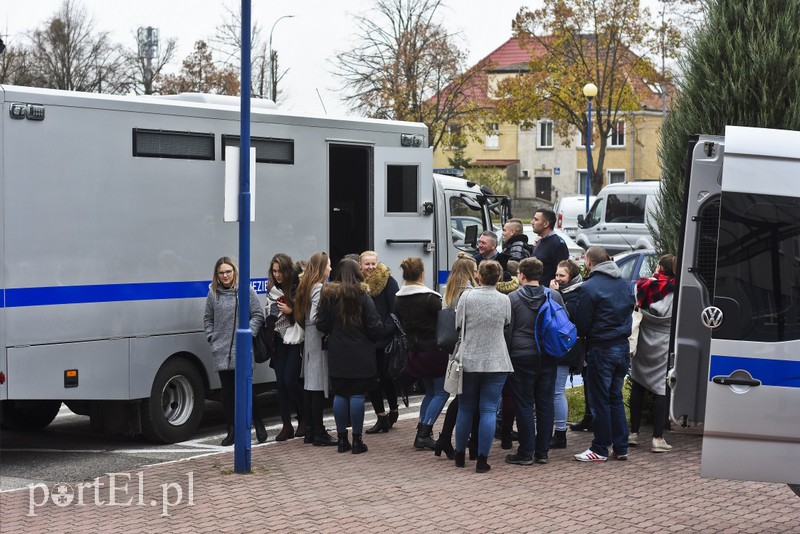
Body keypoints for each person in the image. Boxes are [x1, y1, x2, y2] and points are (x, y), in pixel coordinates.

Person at [316, 259, 390, 454]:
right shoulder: (363, 296)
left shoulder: (329, 296)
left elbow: (321, 324)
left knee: (340, 394)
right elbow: (374, 326)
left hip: (337, 351)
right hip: (361, 352)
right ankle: (357, 441)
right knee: (357, 395)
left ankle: (341, 440)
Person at [572, 246, 634, 462]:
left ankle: (599, 448)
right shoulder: (624, 284)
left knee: (599, 400)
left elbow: (581, 322)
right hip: (622, 346)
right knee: (615, 397)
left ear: (589, 262)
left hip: (601, 347)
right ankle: (621, 446)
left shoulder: (589, 287)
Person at [503, 257, 564, 466]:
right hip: (548, 354)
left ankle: (526, 451)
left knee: (524, 403)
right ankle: (542, 452)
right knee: (545, 403)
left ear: (521, 275)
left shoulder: (512, 298)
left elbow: (508, 330)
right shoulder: (554, 296)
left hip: (521, 356)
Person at [453, 260, 513, 473]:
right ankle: (482, 459)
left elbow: (458, 324)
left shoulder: (466, 296)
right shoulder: (505, 299)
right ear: (498, 278)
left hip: (468, 357)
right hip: (497, 359)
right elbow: (507, 323)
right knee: (488, 409)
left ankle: (460, 455)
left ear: (479, 276)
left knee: (465, 408)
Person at [203, 257, 268, 446]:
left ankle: (259, 424)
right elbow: (207, 318)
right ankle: (231, 430)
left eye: (228, 272)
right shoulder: (213, 294)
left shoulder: (245, 290)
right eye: (221, 272)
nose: (225, 276)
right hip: (221, 349)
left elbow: (257, 314)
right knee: (228, 393)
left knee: (246, 390)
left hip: (241, 347)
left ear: (234, 272)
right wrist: (211, 337)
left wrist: (248, 334)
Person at [394, 257, 450, 451]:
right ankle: (424, 432)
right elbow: (443, 322)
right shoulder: (431, 298)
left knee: (430, 392)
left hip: (415, 350)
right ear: (421, 274)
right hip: (434, 350)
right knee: (442, 392)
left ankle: (422, 428)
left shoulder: (398, 298)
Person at [629, 254, 677, 453]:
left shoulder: (643, 285)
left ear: (660, 267)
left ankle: (633, 433)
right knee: (661, 388)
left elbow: (636, 306)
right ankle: (657, 438)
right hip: (664, 342)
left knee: (638, 383)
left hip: (643, 338)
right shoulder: (676, 289)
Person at [433, 256, 478, 459]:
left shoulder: (449, 291)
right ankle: (448, 438)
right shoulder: (468, 293)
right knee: (465, 399)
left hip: (454, 349)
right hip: (467, 347)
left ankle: (444, 438)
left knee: (460, 396)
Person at [293, 252, 337, 447]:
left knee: (310, 388)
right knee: (317, 388)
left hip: (309, 341)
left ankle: (310, 430)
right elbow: (316, 317)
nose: (330, 269)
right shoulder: (319, 287)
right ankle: (318, 431)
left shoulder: (306, 286)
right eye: (328, 265)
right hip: (317, 341)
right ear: (321, 268)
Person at [360, 251, 401, 434]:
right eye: (366, 264)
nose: (370, 267)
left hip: (385, 337)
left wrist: (385, 329)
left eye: (373, 263)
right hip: (366, 338)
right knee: (371, 380)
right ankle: (381, 417)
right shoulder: (358, 285)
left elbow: (395, 309)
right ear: (360, 266)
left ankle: (393, 409)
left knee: (387, 378)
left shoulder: (388, 281)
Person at [266, 253, 305, 441]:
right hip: (279, 338)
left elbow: (306, 311)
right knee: (280, 383)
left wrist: (292, 310)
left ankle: (304, 418)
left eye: (280, 271)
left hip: (296, 337)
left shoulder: (296, 286)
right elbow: (270, 311)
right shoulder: (272, 289)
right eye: (274, 271)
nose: (277, 275)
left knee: (291, 380)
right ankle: (286, 425)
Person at [548, 259, 585, 449]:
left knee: (557, 390)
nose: (558, 279)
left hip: (565, 347)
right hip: (560, 346)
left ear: (571, 277)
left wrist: (554, 293)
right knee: (554, 390)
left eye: (562, 275)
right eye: (556, 275)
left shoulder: (575, 294)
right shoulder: (567, 292)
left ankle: (560, 433)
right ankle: (556, 431)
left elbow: (564, 318)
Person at [531, 209, 569, 288]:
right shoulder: (541, 241)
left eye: (536, 219)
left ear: (546, 224)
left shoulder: (557, 244)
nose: (532, 222)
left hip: (548, 294)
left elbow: (563, 272)